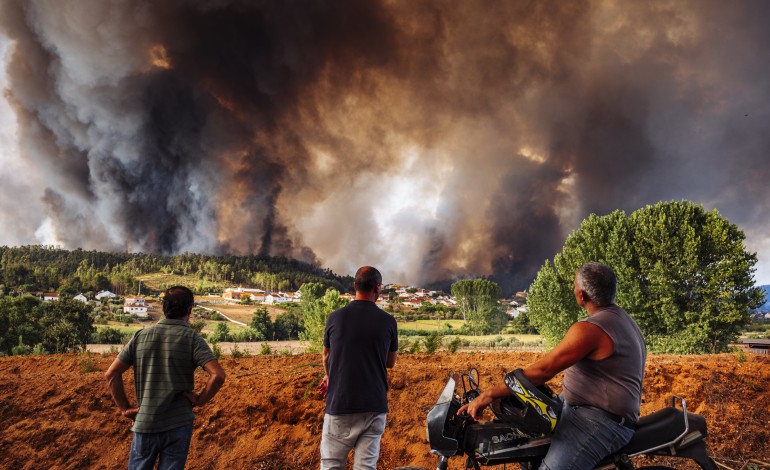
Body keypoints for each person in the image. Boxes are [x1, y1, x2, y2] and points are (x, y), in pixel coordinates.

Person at [459, 262, 646, 470]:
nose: (573, 288)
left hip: (600, 422)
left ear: (582, 295)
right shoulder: (622, 319)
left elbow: (543, 371)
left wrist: (488, 395)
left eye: (574, 285)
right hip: (583, 410)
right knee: (525, 443)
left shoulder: (591, 330)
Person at [105, 285, 226, 470]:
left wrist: (125, 408)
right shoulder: (192, 338)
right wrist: (200, 400)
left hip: (145, 422)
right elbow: (217, 375)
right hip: (178, 424)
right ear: (189, 310)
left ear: (164, 308)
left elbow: (111, 373)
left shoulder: (141, 336)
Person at [319, 266, 398, 470]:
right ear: (378, 288)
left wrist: (329, 377)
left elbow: (326, 355)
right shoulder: (389, 321)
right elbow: (390, 363)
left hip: (340, 403)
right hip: (374, 405)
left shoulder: (335, 317)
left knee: (331, 465)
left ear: (354, 285)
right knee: (366, 467)